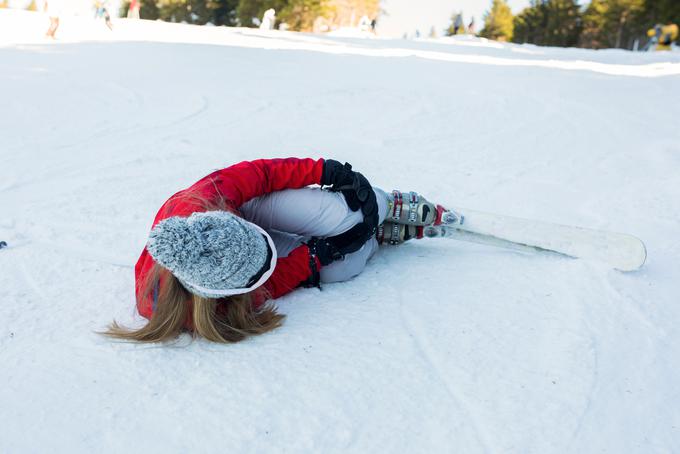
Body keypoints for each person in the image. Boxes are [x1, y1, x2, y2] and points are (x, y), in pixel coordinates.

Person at [103, 158, 458, 344]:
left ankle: (383, 206)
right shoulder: (211, 306)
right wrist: (320, 255)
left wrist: (324, 170)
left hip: (250, 210)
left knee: (346, 213)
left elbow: (263, 173)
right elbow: (272, 282)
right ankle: (375, 237)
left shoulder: (206, 197)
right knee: (343, 268)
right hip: (238, 242)